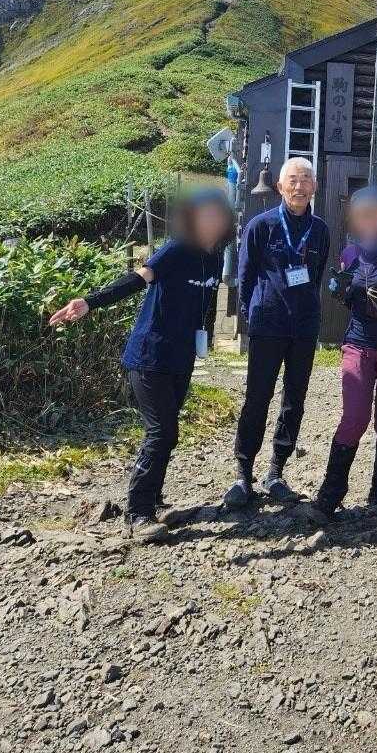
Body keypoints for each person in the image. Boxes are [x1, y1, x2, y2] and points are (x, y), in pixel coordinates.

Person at [49, 189, 234, 543]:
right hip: (150, 356)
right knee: (161, 432)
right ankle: (137, 514)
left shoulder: (214, 258)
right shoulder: (178, 248)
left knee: (169, 432)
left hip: (181, 357)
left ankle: (155, 502)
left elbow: (204, 307)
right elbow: (140, 277)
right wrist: (90, 302)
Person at [303, 185, 377, 524]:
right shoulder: (350, 253)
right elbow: (350, 300)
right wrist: (340, 292)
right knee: (354, 417)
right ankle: (331, 493)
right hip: (358, 342)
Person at [225, 158, 330, 508]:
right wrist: (252, 315)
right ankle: (243, 473)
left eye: (306, 180)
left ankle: (276, 471)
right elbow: (245, 276)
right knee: (257, 397)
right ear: (281, 187)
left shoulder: (320, 230)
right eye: (293, 180)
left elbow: (316, 275)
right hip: (267, 325)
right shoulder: (261, 226)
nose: (299, 186)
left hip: (304, 327)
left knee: (295, 398)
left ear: (314, 187)